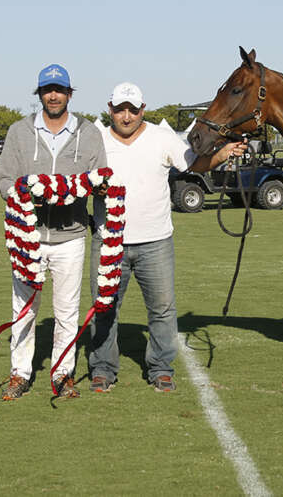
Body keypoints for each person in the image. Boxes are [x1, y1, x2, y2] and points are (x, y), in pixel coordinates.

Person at [88, 82, 245, 393]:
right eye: (120, 109)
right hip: (108, 241)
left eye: (133, 109)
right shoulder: (96, 140)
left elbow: (193, 164)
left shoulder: (162, 137)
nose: (127, 115)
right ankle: (103, 369)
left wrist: (223, 153)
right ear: (110, 110)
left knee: (162, 309)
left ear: (142, 109)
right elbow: (81, 180)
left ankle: (161, 368)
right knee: (103, 308)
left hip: (155, 242)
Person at [0, 64, 106, 400]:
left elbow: (99, 177)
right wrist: (25, 191)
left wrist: (86, 189)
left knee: (67, 312)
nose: (53, 95)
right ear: (39, 94)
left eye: (59, 89)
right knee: (24, 309)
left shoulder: (89, 132)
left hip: (70, 235)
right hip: (27, 237)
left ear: (70, 93)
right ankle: (20, 373)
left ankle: (62, 374)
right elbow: (3, 181)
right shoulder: (19, 131)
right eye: (47, 90)